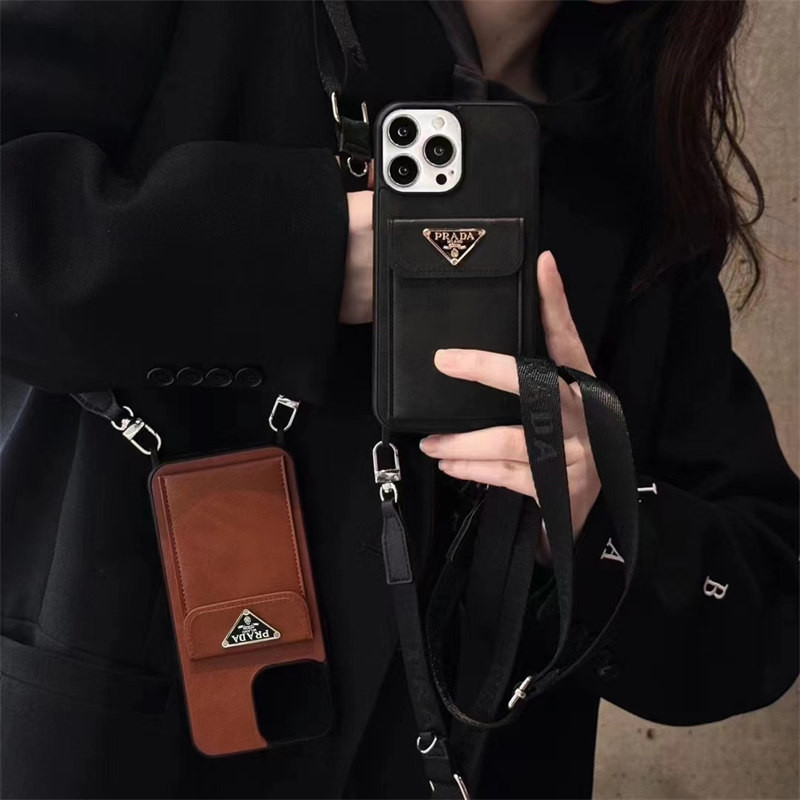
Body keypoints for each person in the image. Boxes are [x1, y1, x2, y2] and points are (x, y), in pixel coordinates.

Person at [1, 1, 797, 798]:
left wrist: (597, 517)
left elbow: (763, 614)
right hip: (124, 740)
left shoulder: (634, 170)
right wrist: (302, 249)